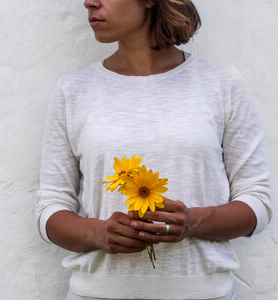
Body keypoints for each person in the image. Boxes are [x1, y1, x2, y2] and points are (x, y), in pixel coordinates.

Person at [34, 0, 273, 299]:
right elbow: (50, 209)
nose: (89, 2)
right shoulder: (74, 91)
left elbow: (258, 203)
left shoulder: (220, 85)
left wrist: (194, 222)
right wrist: (97, 233)